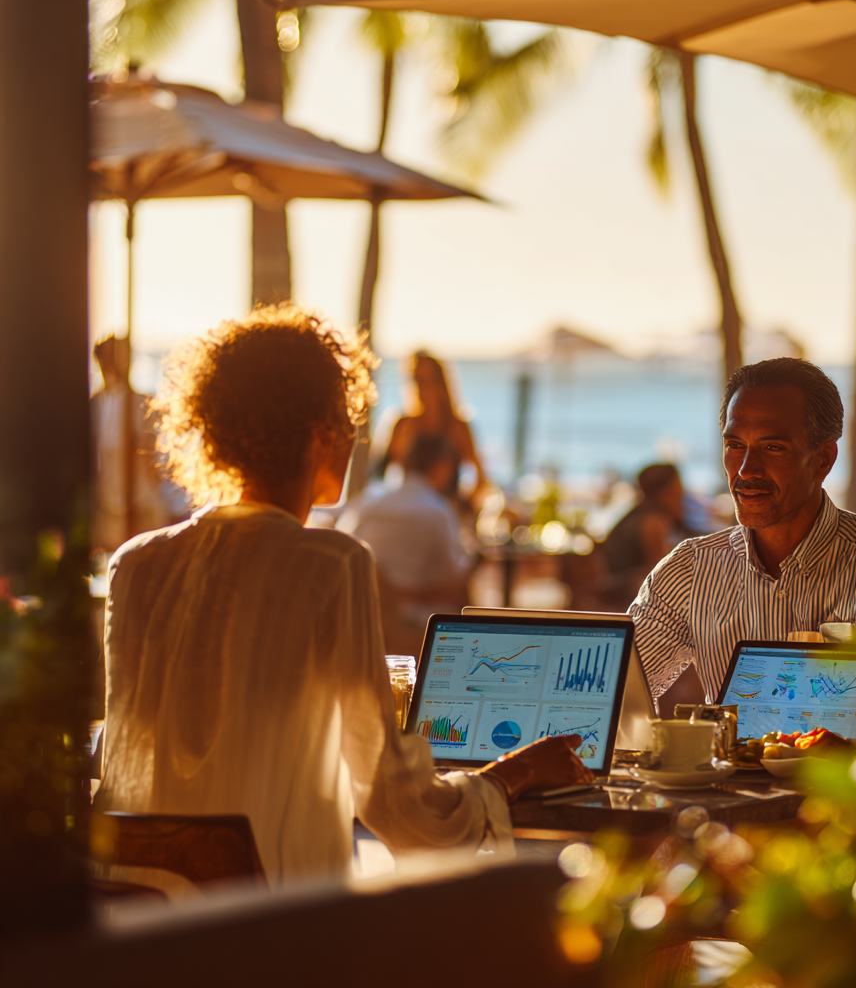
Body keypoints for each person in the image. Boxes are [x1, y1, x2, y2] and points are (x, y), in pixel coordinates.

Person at [95, 307, 590, 887]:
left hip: (146, 930)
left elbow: (125, 753)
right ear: (322, 433)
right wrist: (512, 773)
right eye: (352, 418)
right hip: (277, 931)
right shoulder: (330, 565)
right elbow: (396, 806)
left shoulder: (136, 563)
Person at [629, 358, 856, 710]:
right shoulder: (689, 571)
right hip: (724, 766)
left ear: (823, 460)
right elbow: (613, 693)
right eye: (735, 445)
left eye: (772, 448)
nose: (745, 469)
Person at [353, 434, 474, 610]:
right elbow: (454, 574)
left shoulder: (371, 501)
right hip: (412, 616)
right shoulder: (438, 510)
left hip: (366, 607)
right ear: (442, 466)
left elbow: (350, 545)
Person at [91, 335, 173, 552]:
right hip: (121, 506)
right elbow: (148, 456)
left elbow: (147, 455)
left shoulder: (124, 404)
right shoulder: (105, 404)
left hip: (133, 506)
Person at [382, 352, 484, 495]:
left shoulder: (457, 427)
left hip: (444, 508)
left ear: (440, 382)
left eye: (427, 380)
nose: (421, 387)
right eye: (415, 379)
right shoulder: (403, 425)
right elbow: (381, 474)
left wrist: (462, 507)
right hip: (410, 506)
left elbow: (481, 477)